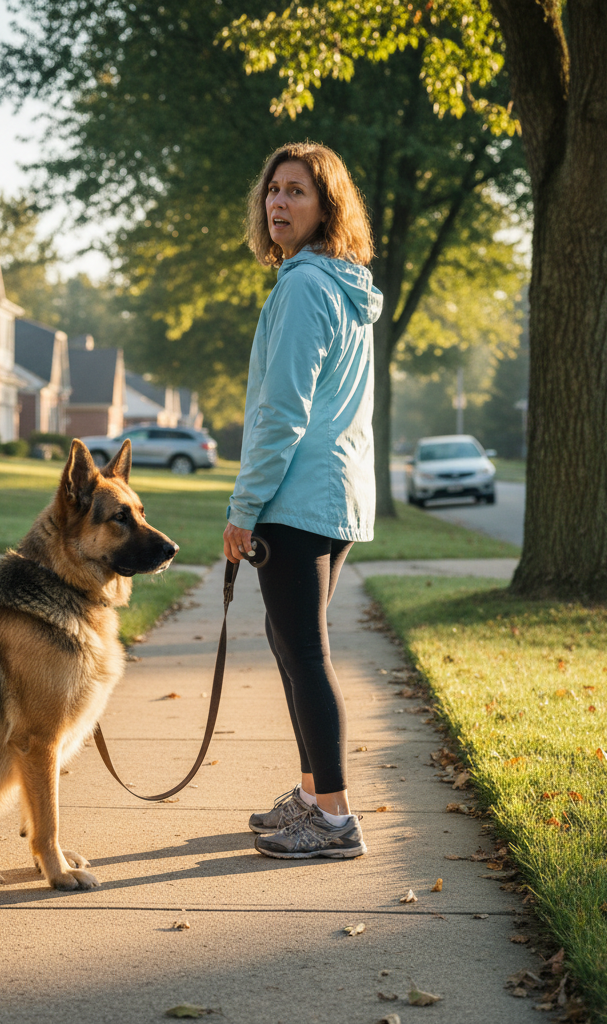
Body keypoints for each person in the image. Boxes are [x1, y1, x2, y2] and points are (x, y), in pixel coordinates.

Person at [224, 141, 381, 860]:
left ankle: (336, 818)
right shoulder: (346, 287)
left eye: (298, 193)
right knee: (293, 647)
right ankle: (315, 792)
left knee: (303, 652)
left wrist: (244, 504)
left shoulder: (303, 288)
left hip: (295, 496)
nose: (279, 203)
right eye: (274, 191)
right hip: (336, 494)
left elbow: (282, 410)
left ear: (326, 208)